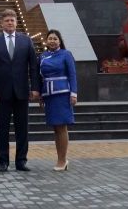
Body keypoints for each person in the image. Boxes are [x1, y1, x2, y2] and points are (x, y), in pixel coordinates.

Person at [0, 8, 40, 172]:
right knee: (2, 128)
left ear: (16, 22)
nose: (10, 23)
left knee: (22, 127)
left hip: (22, 91)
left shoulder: (26, 41)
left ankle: (21, 161)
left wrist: (35, 87)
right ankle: (2, 161)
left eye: (12, 20)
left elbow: (33, 66)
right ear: (1, 23)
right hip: (1, 93)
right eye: (7, 20)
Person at [39, 29, 78, 171]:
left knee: (62, 127)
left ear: (59, 41)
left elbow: (72, 74)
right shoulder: (43, 56)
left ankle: (62, 160)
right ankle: (60, 158)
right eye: (50, 38)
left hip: (62, 94)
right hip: (49, 95)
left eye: (55, 38)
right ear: (46, 41)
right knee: (55, 128)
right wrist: (42, 95)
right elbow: (40, 77)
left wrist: (74, 93)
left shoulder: (66, 54)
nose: (52, 41)